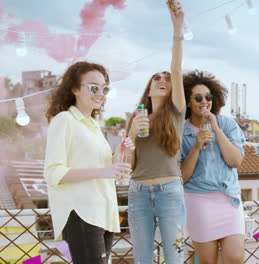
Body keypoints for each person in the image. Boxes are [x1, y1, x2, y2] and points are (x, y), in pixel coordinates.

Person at [44, 61, 133, 264]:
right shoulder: (64, 120)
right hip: (81, 213)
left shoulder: (93, 124)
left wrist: (120, 153)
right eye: (93, 87)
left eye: (105, 88)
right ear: (74, 88)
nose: (100, 93)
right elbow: (53, 173)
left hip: (103, 212)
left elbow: (105, 169)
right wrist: (104, 171)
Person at [125, 2, 186, 263]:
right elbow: (126, 165)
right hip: (137, 192)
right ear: (148, 88)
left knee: (174, 257)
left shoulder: (176, 111)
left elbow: (176, 68)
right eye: (156, 78)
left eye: (166, 79)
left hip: (169, 190)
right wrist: (130, 134)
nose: (162, 80)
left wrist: (177, 28)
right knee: (142, 259)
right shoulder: (136, 118)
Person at [181, 70, 246, 264]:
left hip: (229, 199)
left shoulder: (226, 124)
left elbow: (235, 161)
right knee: (208, 262)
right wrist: (196, 146)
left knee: (235, 258)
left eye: (208, 97)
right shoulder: (181, 131)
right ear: (188, 102)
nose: (204, 102)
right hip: (198, 201)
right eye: (198, 97)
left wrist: (216, 129)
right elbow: (181, 177)